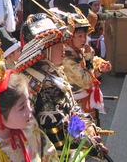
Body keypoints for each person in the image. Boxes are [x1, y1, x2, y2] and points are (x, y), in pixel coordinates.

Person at [15, 13, 108, 159]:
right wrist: (89, 143)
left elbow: (72, 107)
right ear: (45, 48)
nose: (64, 47)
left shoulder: (52, 71)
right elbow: (57, 136)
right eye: (59, 43)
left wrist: (88, 126)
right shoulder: (44, 85)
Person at [0, 48, 58, 161]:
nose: (30, 110)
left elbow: (48, 153)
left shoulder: (29, 125)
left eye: (28, 100)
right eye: (22, 107)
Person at [61, 9, 111, 125]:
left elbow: (93, 62)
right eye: (79, 36)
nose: (84, 39)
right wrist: (89, 59)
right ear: (70, 37)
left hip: (86, 101)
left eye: (84, 35)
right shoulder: (67, 59)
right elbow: (87, 81)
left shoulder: (78, 50)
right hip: (78, 105)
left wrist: (101, 65)